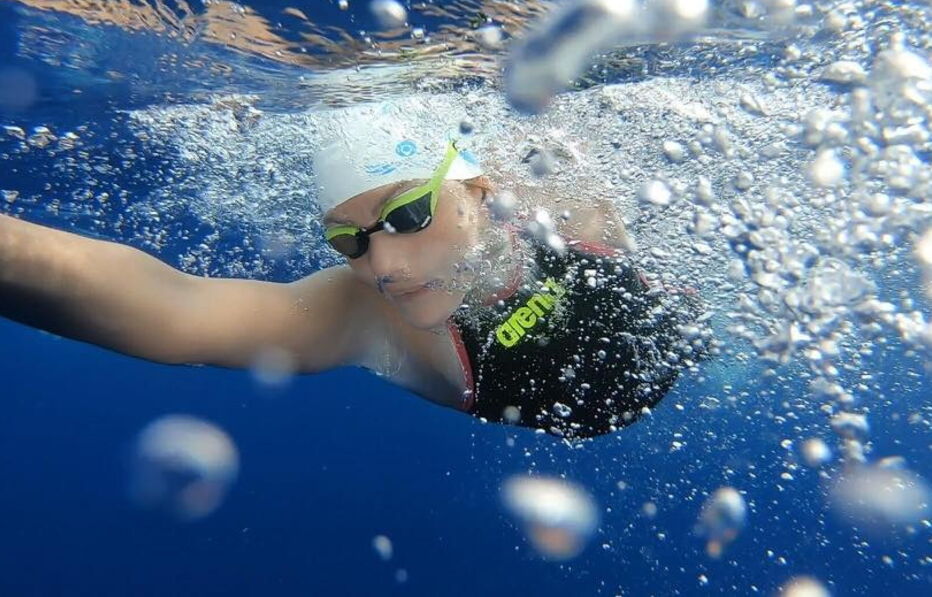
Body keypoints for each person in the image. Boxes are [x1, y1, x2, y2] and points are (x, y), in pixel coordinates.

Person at [0, 97, 704, 439]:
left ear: (479, 191)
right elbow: (172, 308)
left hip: (674, 341)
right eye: (349, 242)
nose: (383, 266)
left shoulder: (561, 201)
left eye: (407, 215)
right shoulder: (368, 316)